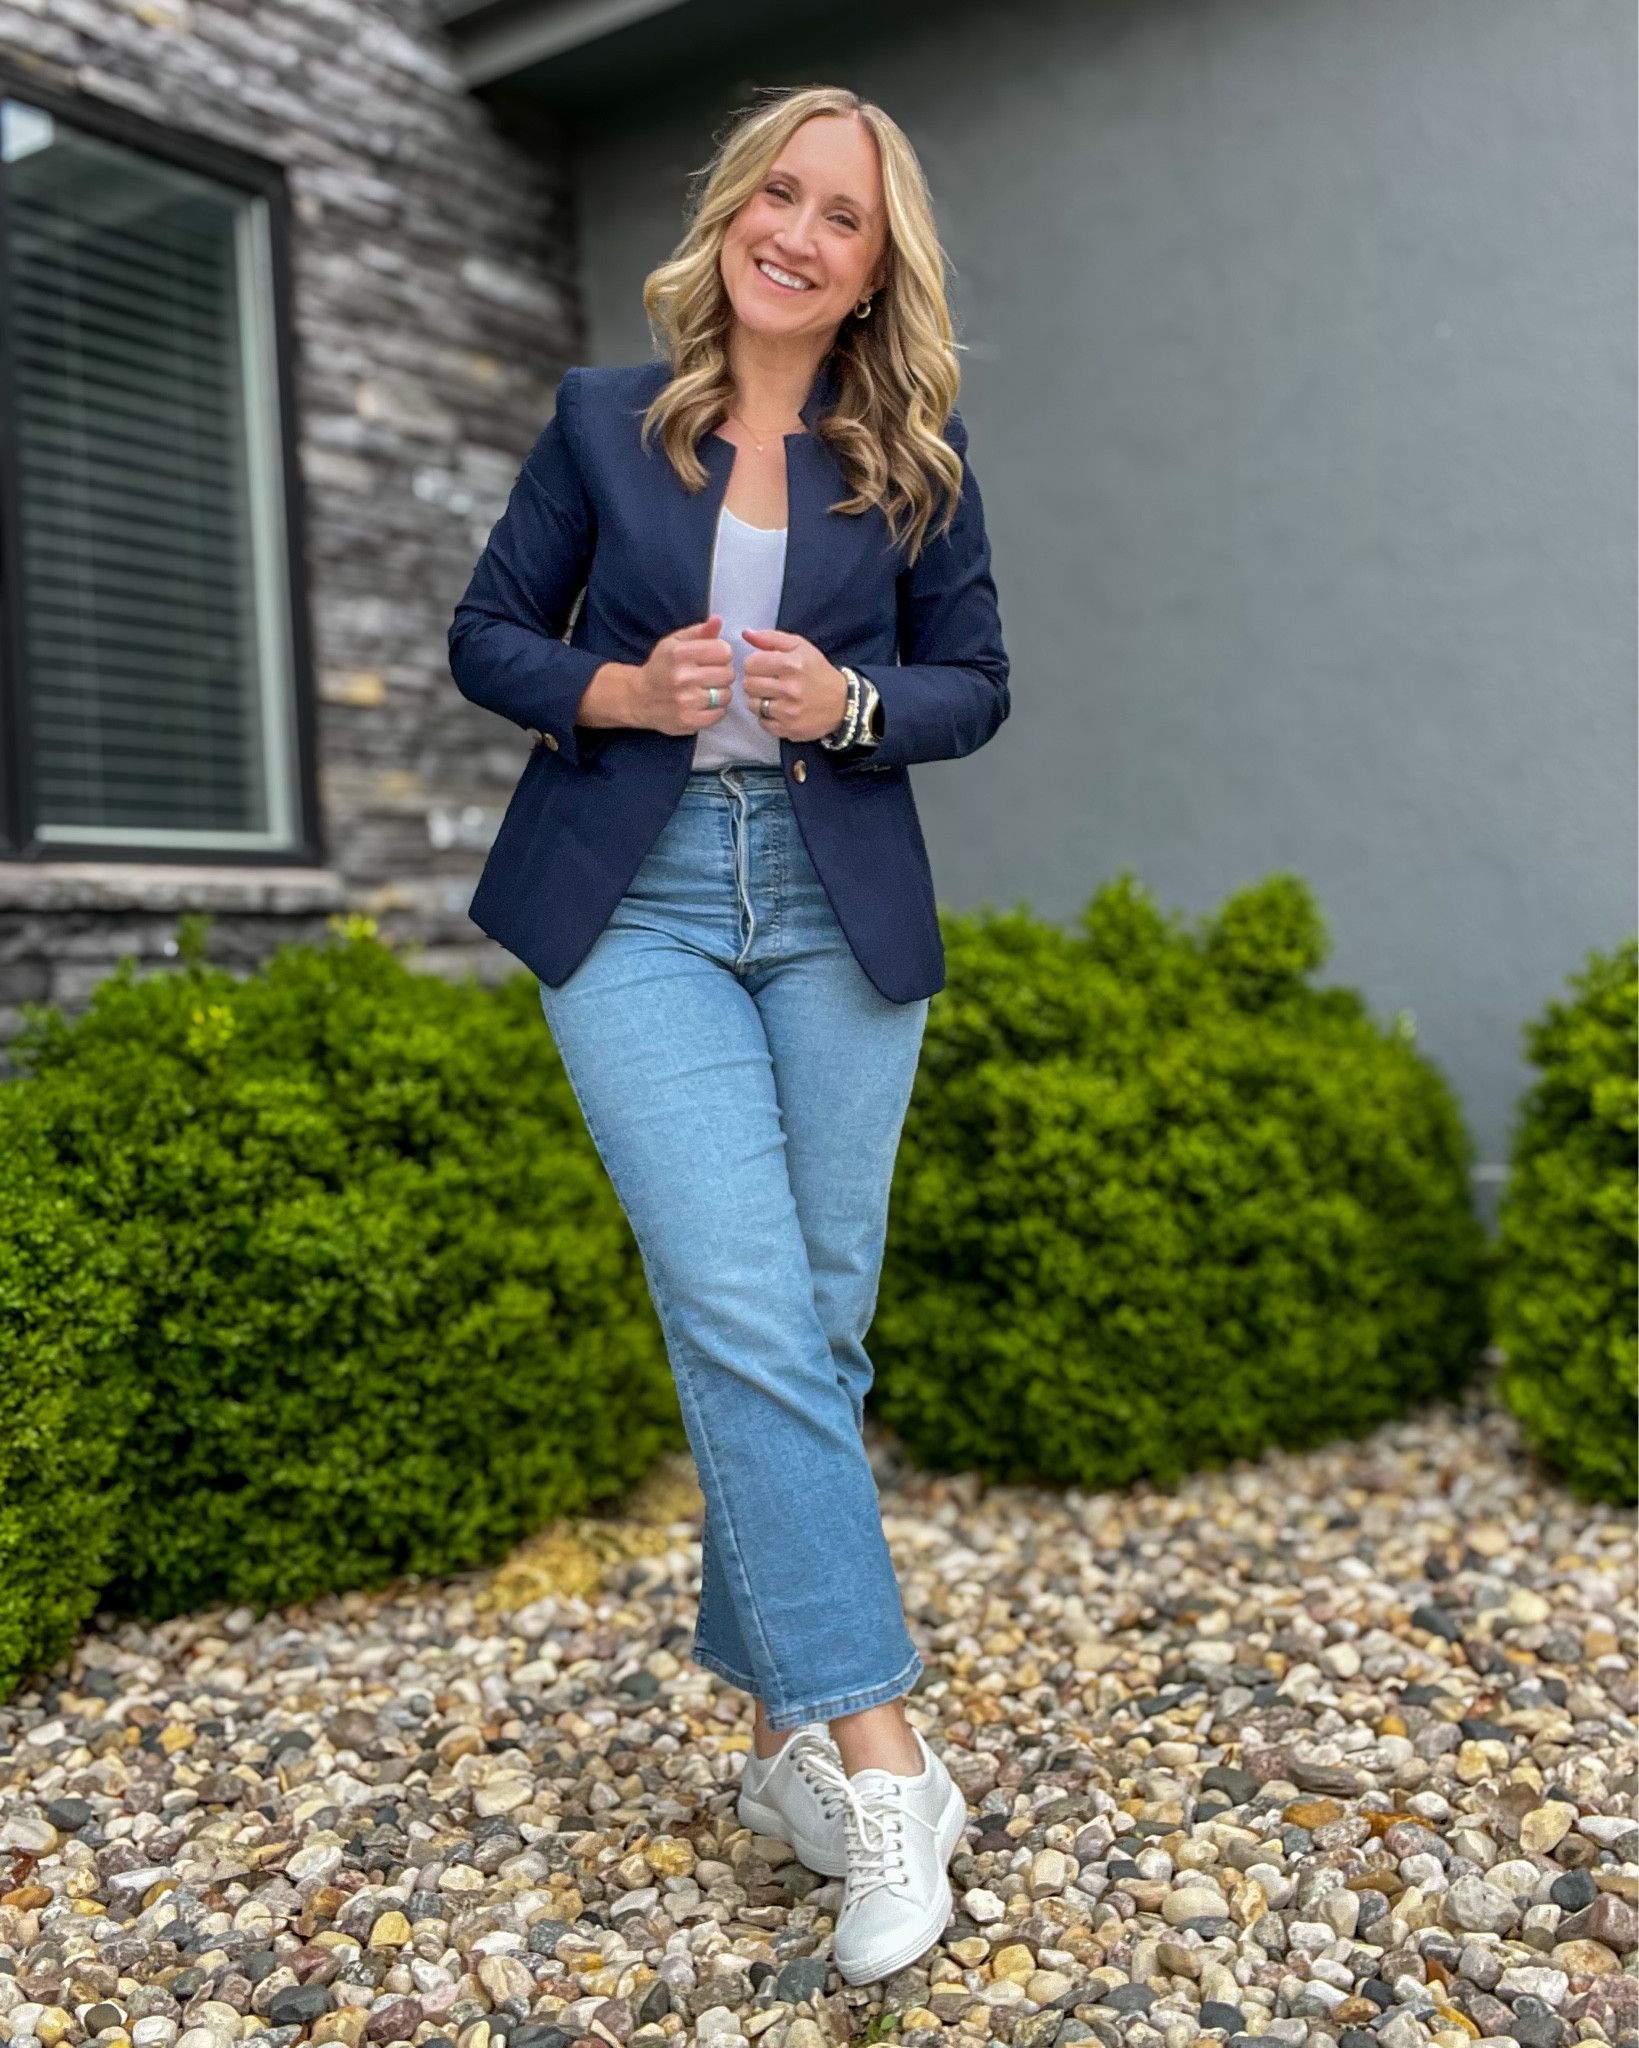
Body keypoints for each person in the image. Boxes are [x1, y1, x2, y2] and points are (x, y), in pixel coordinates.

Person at [448, 83, 1009, 1983]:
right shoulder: (608, 420)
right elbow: (485, 638)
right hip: (641, 906)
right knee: (747, 1314)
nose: (800, 229)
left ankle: (777, 1731)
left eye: (842, 215)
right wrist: (624, 677)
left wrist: (850, 700)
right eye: (780, 191)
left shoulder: (913, 455)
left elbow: (976, 686)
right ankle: (881, 1767)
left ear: (872, 268)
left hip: (835, 910)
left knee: (816, 1326)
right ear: (736, 215)